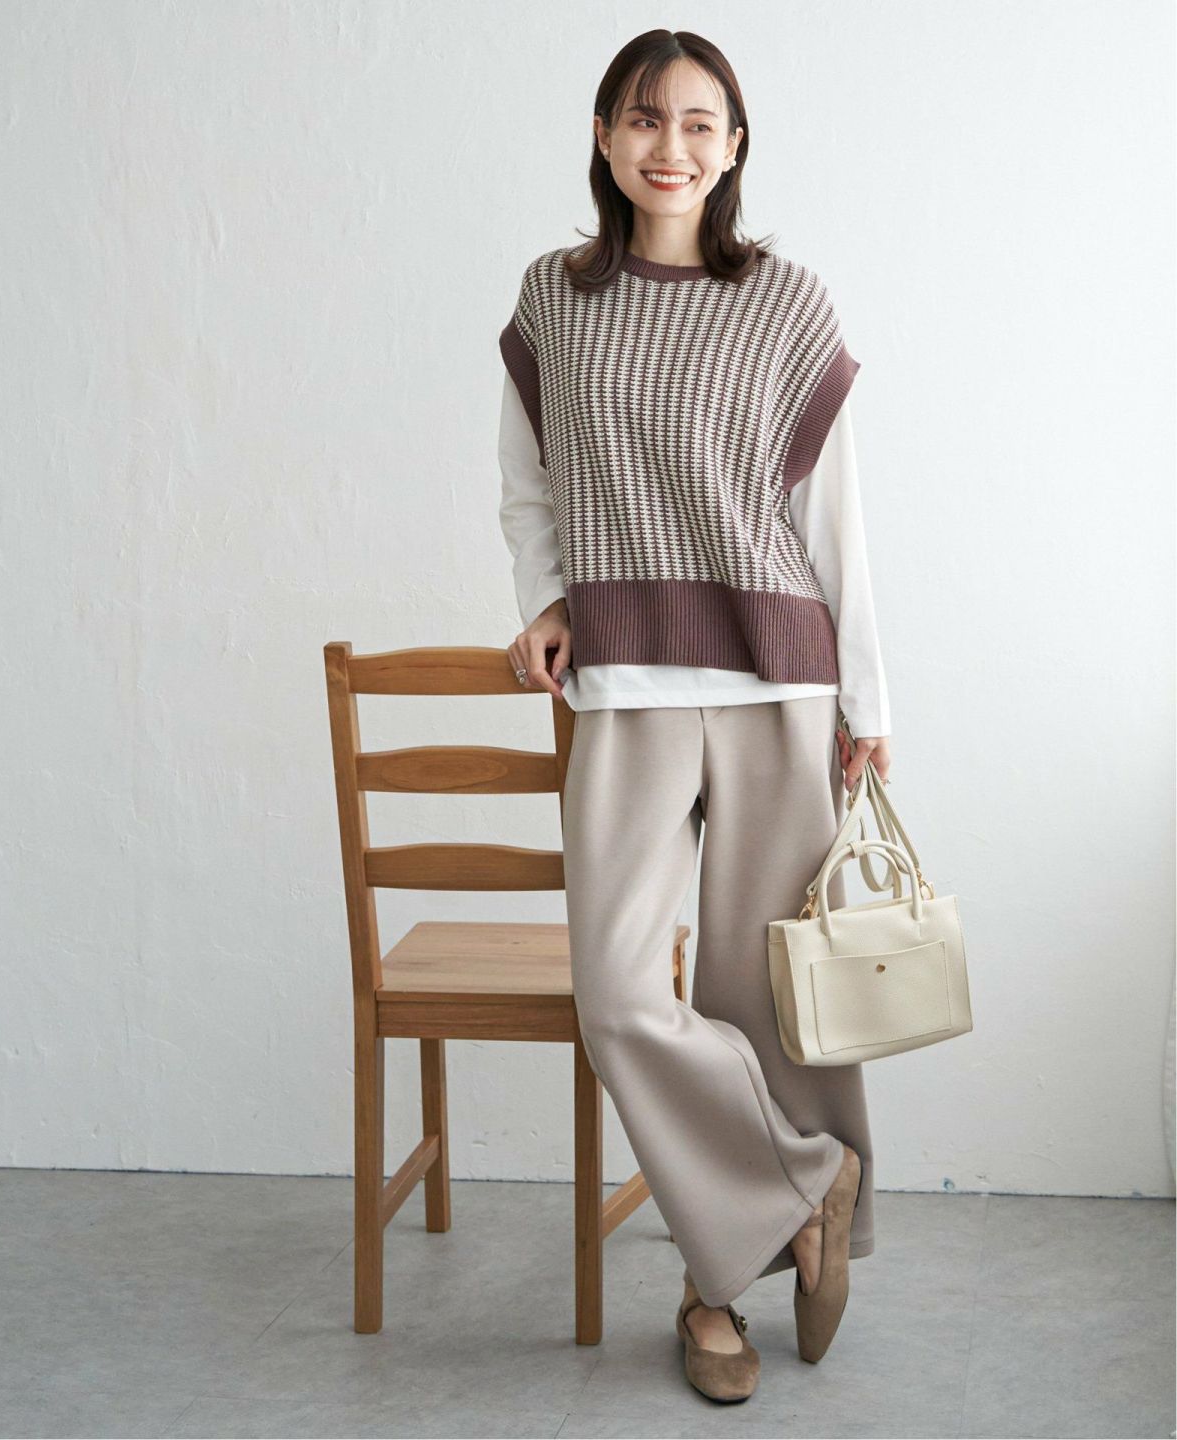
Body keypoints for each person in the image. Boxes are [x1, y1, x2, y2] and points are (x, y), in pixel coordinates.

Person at [497, 29, 890, 1403]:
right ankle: (809, 1182)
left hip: (777, 677)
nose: (672, 145)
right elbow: (527, 485)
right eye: (645, 118)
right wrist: (546, 599)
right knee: (620, 996)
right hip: (627, 683)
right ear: (605, 137)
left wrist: (868, 699)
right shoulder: (554, 300)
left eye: (700, 123)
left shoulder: (784, 300)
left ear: (734, 147)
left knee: (757, 998)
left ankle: (710, 1298)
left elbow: (833, 518)